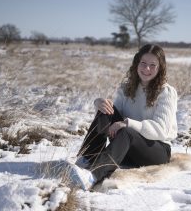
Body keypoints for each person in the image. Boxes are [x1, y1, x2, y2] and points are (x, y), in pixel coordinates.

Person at [69, 43, 178, 191]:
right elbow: (113, 113)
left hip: (156, 152)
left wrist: (127, 123)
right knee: (105, 108)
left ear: (160, 68)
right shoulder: (127, 87)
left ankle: (92, 176)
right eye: (143, 63)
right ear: (136, 63)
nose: (147, 69)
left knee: (127, 131)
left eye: (153, 65)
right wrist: (98, 102)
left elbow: (161, 130)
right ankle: (87, 159)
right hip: (127, 148)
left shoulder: (166, 92)